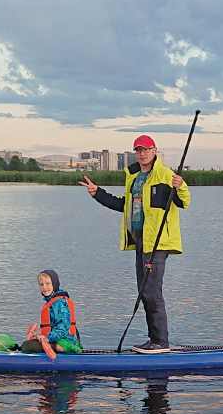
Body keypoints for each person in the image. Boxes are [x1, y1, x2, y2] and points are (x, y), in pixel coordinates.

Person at [78, 135, 190, 354]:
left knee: (152, 291)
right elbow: (124, 206)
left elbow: (183, 201)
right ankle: (154, 340)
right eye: (138, 150)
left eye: (146, 150)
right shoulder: (134, 177)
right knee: (143, 290)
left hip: (158, 242)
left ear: (154, 150)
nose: (142, 154)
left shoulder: (165, 175)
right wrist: (97, 194)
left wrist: (181, 186)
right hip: (140, 240)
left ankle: (160, 342)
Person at [20, 269, 83, 357]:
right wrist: (41, 335)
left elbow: (64, 326)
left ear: (54, 284)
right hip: (56, 339)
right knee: (27, 344)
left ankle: (62, 347)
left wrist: (48, 338)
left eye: (48, 283)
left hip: (65, 339)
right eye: (41, 284)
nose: (44, 287)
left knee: (27, 345)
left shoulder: (59, 303)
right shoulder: (52, 302)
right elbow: (52, 326)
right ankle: (58, 346)